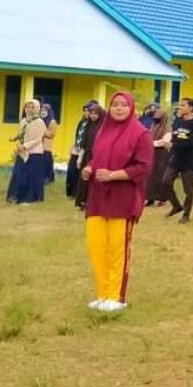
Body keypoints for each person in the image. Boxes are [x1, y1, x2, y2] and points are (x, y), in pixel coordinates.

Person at [81, 91, 152, 312]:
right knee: (96, 246)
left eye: (123, 105)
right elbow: (97, 157)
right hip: (98, 198)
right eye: (115, 104)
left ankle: (116, 296)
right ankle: (102, 294)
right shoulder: (103, 130)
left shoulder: (141, 134)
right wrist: (89, 168)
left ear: (131, 108)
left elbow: (143, 167)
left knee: (117, 248)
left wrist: (114, 175)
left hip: (123, 199)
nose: (119, 108)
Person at [165, 98, 193, 224]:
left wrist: (174, 145)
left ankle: (186, 214)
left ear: (191, 108)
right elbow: (175, 135)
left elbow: (191, 143)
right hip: (176, 157)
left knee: (188, 189)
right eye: (180, 105)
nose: (180, 107)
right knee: (166, 181)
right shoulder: (178, 121)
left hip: (189, 159)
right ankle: (176, 205)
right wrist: (171, 143)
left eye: (183, 105)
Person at [7, 99, 48, 204]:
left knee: (31, 176)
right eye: (27, 107)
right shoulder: (23, 121)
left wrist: (25, 146)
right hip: (22, 152)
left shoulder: (40, 122)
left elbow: (38, 139)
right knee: (18, 174)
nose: (29, 109)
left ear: (37, 109)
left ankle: (31, 197)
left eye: (32, 107)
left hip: (35, 152)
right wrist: (17, 140)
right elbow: (22, 134)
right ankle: (15, 195)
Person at [74, 104, 105, 209]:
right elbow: (84, 143)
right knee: (84, 178)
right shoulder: (87, 125)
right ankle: (83, 201)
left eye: (95, 113)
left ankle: (93, 202)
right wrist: (80, 158)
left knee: (95, 179)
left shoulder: (103, 127)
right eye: (91, 113)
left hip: (99, 156)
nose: (93, 116)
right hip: (87, 155)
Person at [65, 101, 98, 199]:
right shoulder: (82, 122)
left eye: (89, 111)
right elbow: (77, 136)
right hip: (77, 150)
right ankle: (72, 192)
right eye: (85, 110)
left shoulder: (94, 125)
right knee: (72, 171)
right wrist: (73, 147)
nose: (86, 113)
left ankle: (79, 193)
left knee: (80, 173)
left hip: (85, 152)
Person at [145, 106, 172, 207]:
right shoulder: (153, 126)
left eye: (158, 116)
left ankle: (162, 198)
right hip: (152, 154)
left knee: (160, 175)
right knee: (150, 176)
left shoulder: (167, 128)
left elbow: (165, 141)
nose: (156, 118)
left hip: (162, 154)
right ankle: (150, 198)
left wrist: (152, 143)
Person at [39, 102, 59, 184]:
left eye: (45, 110)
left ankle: (48, 178)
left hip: (47, 147)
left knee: (47, 162)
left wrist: (42, 131)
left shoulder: (52, 121)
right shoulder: (39, 121)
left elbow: (51, 135)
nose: (43, 112)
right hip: (39, 146)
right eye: (42, 110)